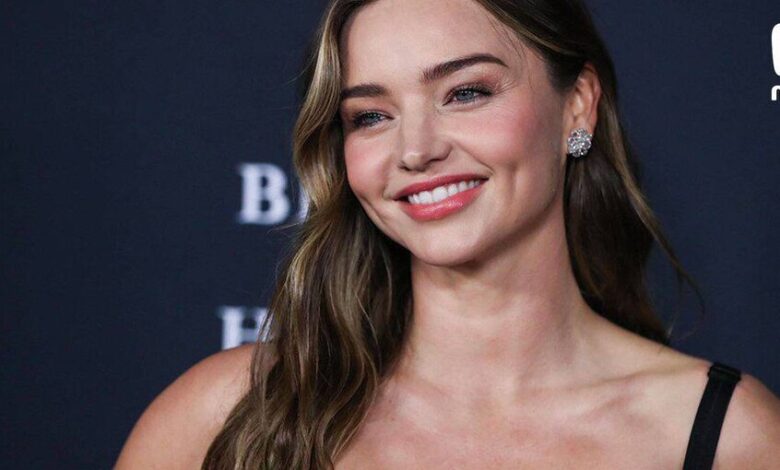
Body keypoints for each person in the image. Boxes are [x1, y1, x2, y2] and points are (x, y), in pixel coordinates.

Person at [115, 0, 780, 468]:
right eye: (371, 116)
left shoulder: (728, 437)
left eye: (465, 93)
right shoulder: (228, 414)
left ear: (577, 104)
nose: (416, 150)